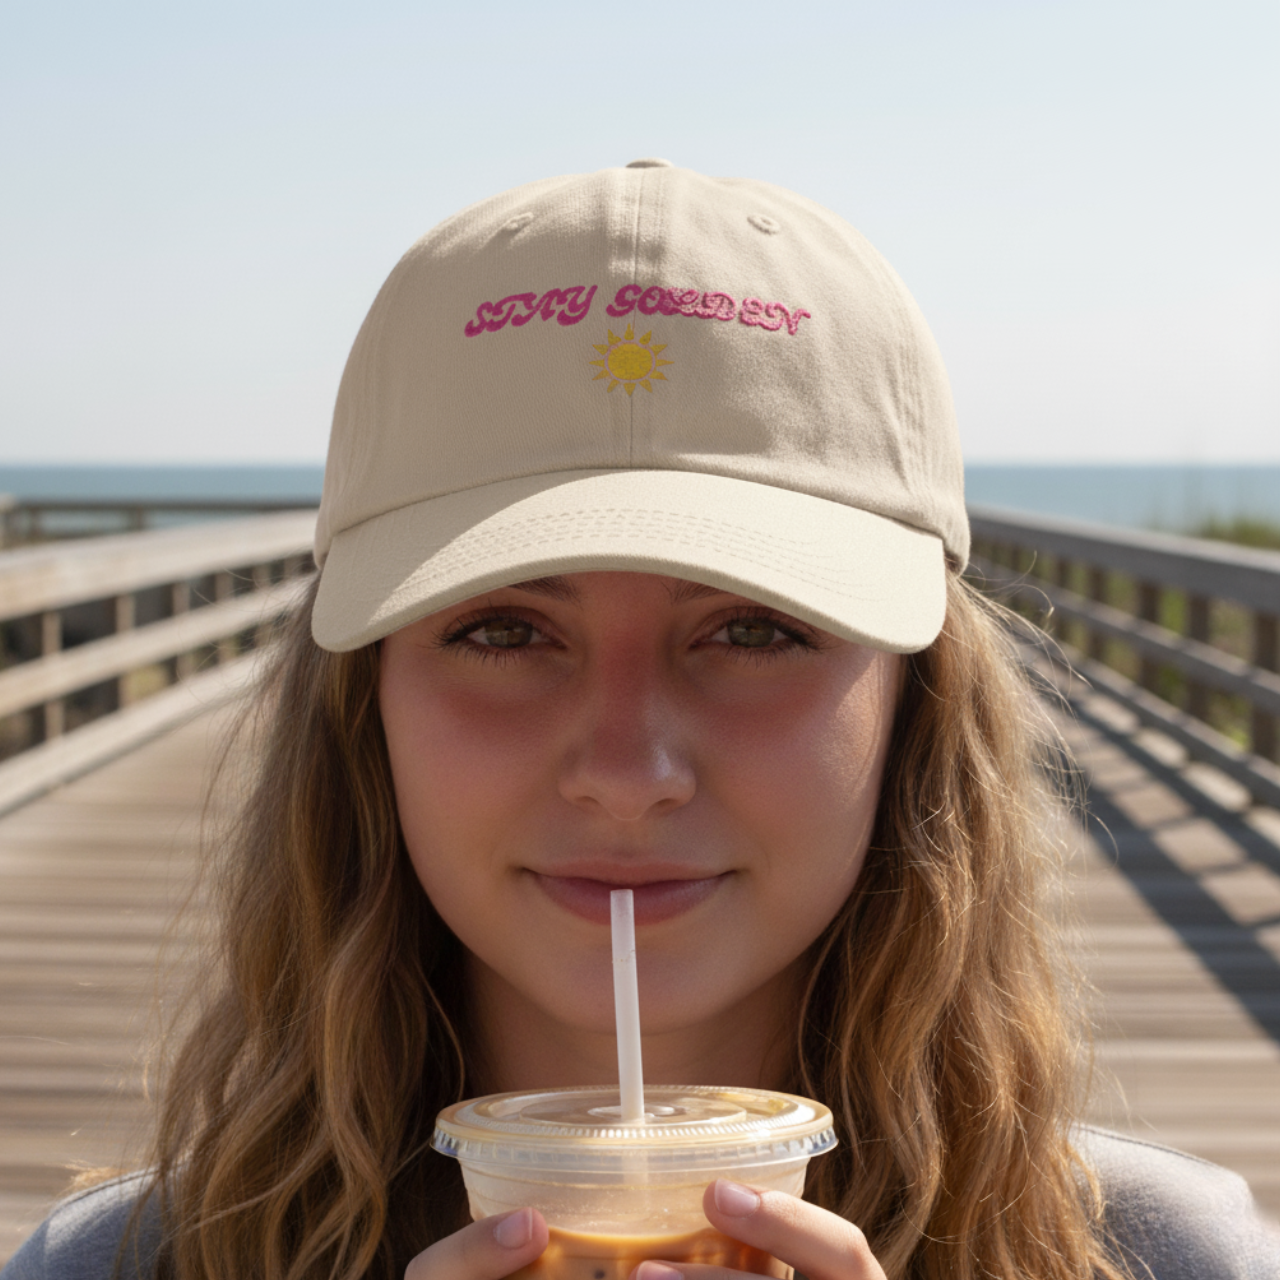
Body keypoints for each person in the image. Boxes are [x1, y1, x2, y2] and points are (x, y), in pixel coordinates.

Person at [4, 160, 1278, 1280]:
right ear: (362, 707)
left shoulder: (1157, 1255)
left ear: (915, 703)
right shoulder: (119, 1263)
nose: (627, 770)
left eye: (754, 629)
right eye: (502, 630)